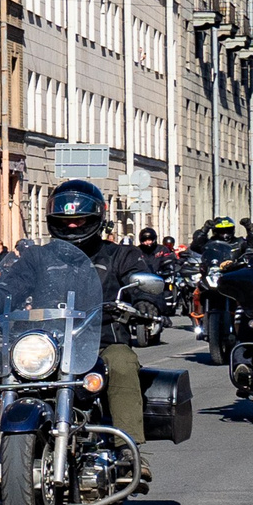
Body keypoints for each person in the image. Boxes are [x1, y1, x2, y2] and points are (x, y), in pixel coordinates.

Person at [46, 177, 152, 456]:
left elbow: (140, 281)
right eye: (65, 219)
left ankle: (129, 448)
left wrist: (145, 301)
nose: (72, 225)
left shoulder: (120, 255)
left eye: (79, 220)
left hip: (103, 341)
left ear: (95, 218)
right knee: (0, 360)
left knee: (122, 363)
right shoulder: (38, 257)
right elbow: (11, 285)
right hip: (48, 344)